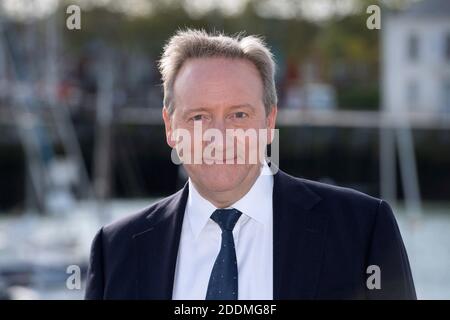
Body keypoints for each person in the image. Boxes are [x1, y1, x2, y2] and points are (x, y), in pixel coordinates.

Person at [85, 29, 416, 300]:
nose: (218, 135)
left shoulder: (363, 232)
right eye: (198, 116)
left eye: (238, 115)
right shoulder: (115, 251)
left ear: (269, 121)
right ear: (170, 127)